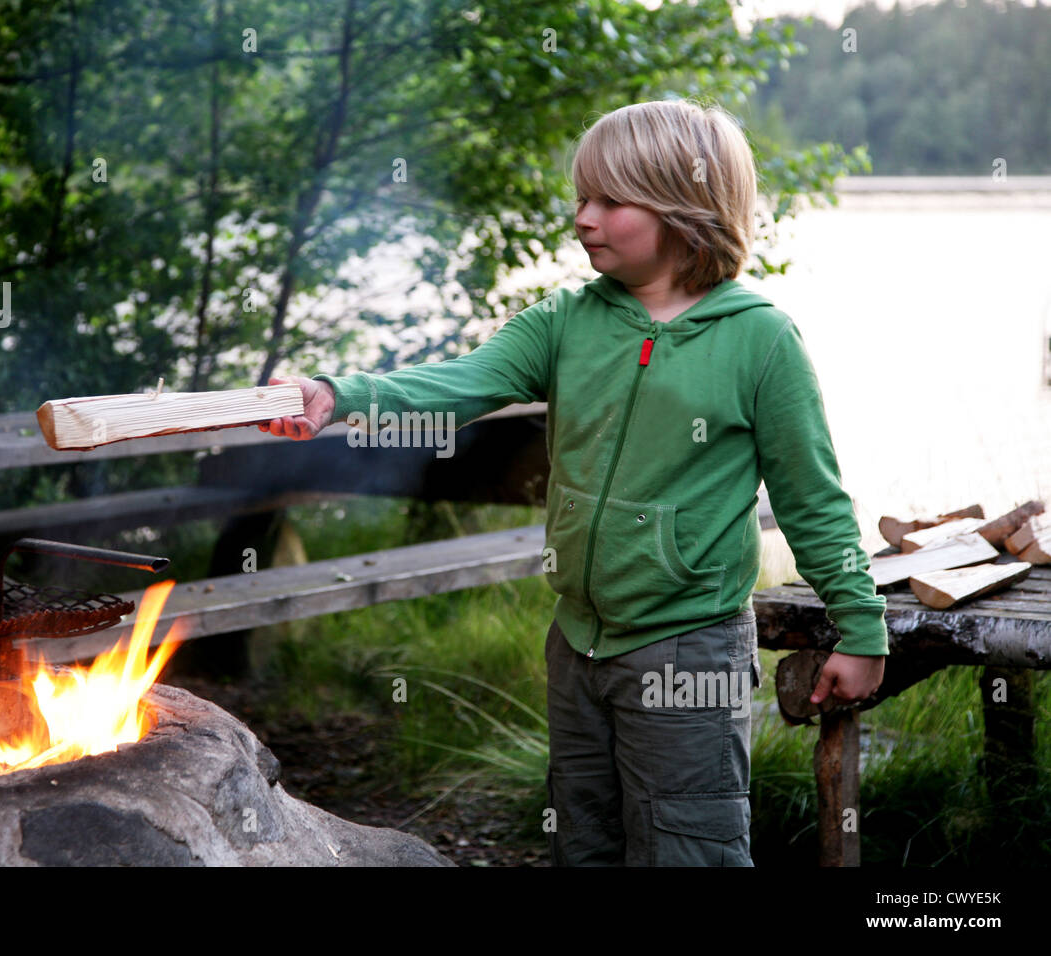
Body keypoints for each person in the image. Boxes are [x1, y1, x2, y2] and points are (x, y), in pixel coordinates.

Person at [257, 98, 887, 866]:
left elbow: (813, 500)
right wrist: (340, 395)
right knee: (582, 840)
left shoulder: (760, 342)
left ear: (686, 211)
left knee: (690, 848)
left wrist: (861, 629)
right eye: (580, 198)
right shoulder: (566, 321)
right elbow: (463, 381)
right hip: (577, 645)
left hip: (686, 652)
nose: (583, 218)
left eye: (609, 201)